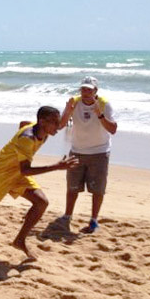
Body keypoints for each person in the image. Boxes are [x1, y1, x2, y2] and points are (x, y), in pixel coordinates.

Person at [0, 106, 79, 261]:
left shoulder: (41, 130)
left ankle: (20, 240)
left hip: (16, 174)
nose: (58, 125)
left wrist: (69, 109)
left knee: (41, 202)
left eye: (58, 121)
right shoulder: (27, 138)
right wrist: (56, 167)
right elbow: (26, 170)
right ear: (42, 121)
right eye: (54, 122)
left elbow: (23, 123)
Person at [58, 76, 118, 233]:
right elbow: (60, 125)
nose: (85, 92)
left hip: (99, 152)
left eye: (89, 90)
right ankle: (67, 216)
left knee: (97, 190)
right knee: (72, 188)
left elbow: (112, 129)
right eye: (83, 89)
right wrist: (69, 110)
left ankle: (93, 220)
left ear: (96, 91)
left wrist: (100, 115)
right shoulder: (74, 102)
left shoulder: (104, 104)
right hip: (77, 150)